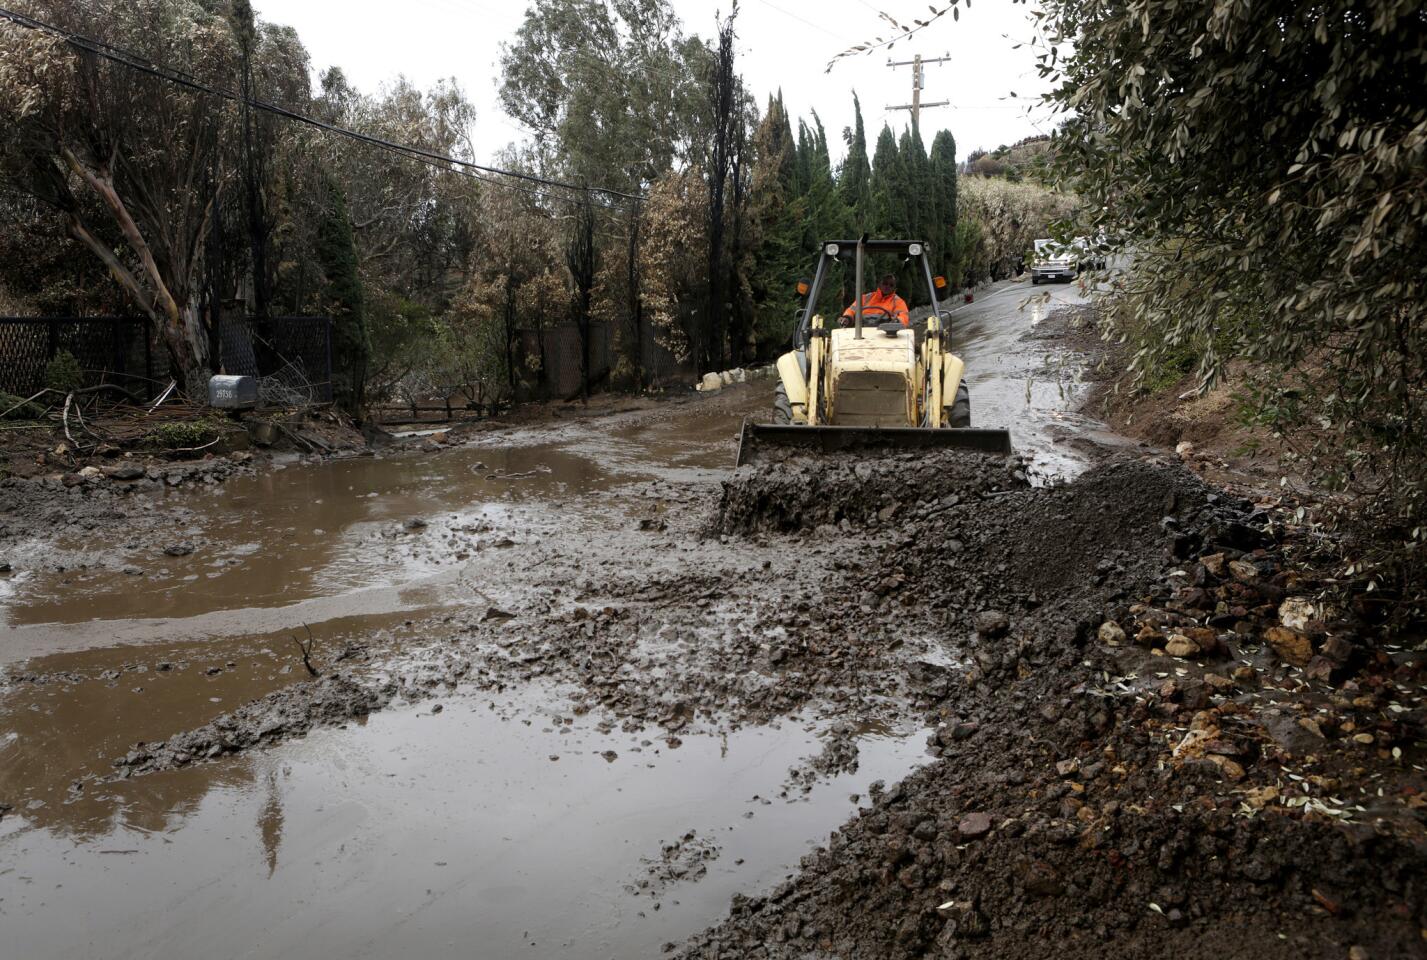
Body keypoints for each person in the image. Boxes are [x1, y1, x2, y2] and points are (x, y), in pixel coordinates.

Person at [841, 273, 910, 327]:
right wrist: (847, 318)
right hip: (862, 332)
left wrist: (897, 321)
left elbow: (903, 316)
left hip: (886, 334)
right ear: (879, 284)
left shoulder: (898, 302)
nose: (887, 286)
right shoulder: (865, 298)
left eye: (891, 285)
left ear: (895, 288)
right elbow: (851, 310)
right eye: (885, 283)